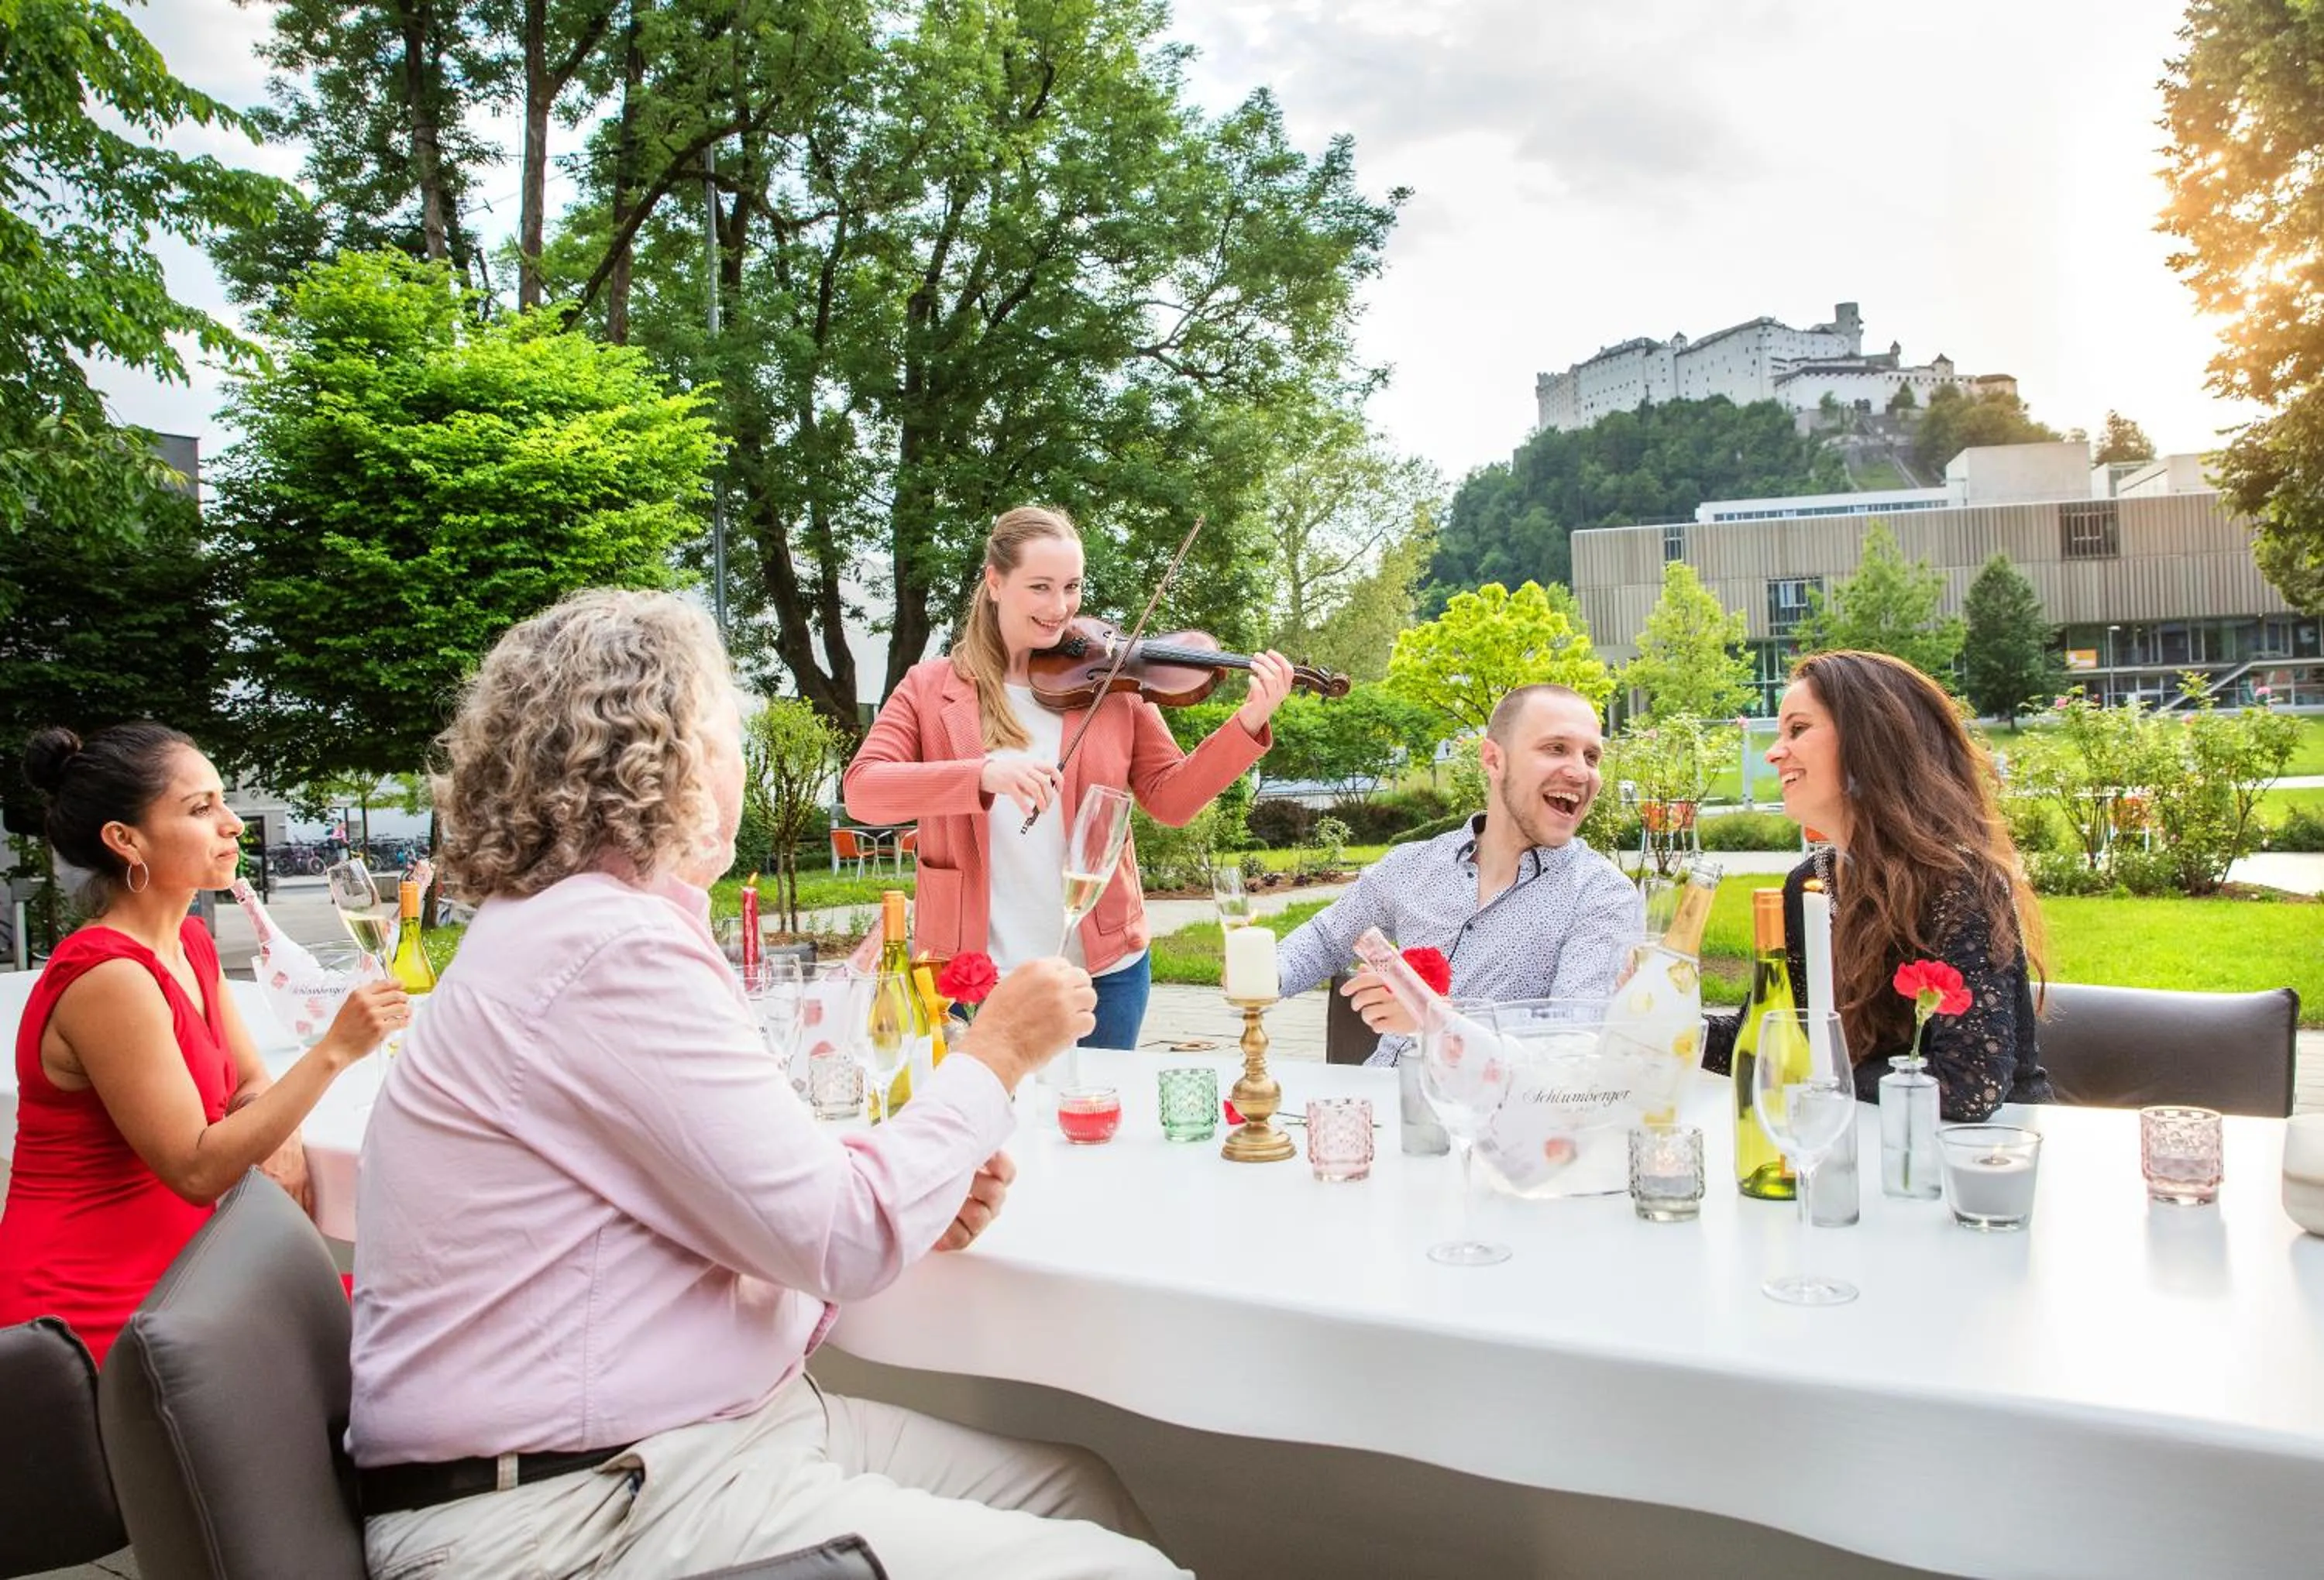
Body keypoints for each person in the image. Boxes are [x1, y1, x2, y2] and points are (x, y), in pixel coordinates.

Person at [352, 589, 1185, 1580]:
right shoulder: (604, 946)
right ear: (665, 760)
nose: (733, 758)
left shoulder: (571, 925)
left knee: (1079, 1488)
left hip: (683, 1445)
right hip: (571, 1513)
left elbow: (740, 1182)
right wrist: (996, 1054)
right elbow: (841, 1236)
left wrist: (923, 1184)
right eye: (723, 729)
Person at [0, 723, 404, 1363]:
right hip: (98, 1303)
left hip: (192, 1268)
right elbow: (196, 1168)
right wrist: (334, 1050)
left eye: (223, 801)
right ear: (125, 840)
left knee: (408, 1311)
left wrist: (285, 1137)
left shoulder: (189, 944)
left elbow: (247, 1083)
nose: (233, 824)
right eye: (201, 808)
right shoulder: (111, 978)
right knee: (399, 1326)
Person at [844, 504, 1294, 1051]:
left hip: (1103, 970)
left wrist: (1247, 722)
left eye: (1072, 587)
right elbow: (864, 790)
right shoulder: (930, 686)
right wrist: (983, 774)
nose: (1060, 608)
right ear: (994, 581)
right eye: (1040, 587)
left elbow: (1171, 800)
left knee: (1095, 1125)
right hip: (970, 972)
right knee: (985, 1127)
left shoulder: (1110, 680)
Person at [1702, 650, 2052, 1120]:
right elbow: (1761, 1036)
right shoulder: (1810, 884)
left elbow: (1969, 1087)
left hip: (1989, 1165)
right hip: (1865, 1146)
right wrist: (1671, 1027)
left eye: (1798, 730)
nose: (1773, 751)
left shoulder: (1958, 884)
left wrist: (1817, 1072)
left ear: (1869, 741)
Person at [1276, 684, 1643, 1066]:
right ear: (1493, 759)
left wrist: (1434, 1021)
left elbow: (1571, 1051)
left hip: (1494, 1119)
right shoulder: (1412, 865)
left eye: (1592, 757)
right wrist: (1258, 975)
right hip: (1382, 1103)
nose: (1581, 772)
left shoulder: (1602, 896)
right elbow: (1324, 938)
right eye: (1556, 749)